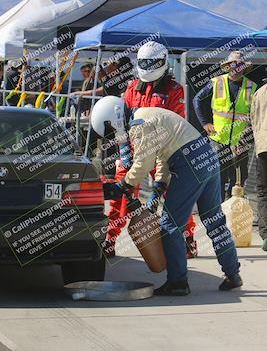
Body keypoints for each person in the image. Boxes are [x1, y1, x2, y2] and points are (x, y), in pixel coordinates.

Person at [91, 96, 242, 295]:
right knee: (214, 221)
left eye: (110, 131)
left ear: (114, 119)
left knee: (170, 225)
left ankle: (178, 282)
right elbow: (164, 154)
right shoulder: (149, 114)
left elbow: (143, 163)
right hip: (207, 158)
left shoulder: (139, 124)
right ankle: (233, 274)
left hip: (189, 164)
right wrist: (160, 185)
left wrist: (122, 185)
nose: (113, 136)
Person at [105, 41, 197, 258]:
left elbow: (175, 126)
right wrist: (124, 152)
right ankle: (109, 240)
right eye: (144, 62)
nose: (148, 66)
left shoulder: (175, 90)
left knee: (174, 195)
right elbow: (122, 121)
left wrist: (159, 169)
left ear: (163, 62)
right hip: (135, 150)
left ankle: (188, 239)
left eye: (152, 62)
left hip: (164, 151)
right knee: (121, 195)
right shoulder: (131, 87)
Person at [193, 51, 257, 201]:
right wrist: (204, 123)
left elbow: (255, 116)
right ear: (228, 66)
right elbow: (197, 100)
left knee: (239, 179)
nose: (236, 68)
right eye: (232, 64)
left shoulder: (252, 87)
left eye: (239, 64)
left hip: (240, 142)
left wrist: (246, 139)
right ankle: (219, 212)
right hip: (218, 140)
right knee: (217, 178)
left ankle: (233, 212)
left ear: (244, 67)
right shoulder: (216, 82)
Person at [251, 79, 267, 251]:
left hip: (263, 147)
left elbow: (253, 119)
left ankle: (266, 235)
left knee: (263, 191)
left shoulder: (259, 92)